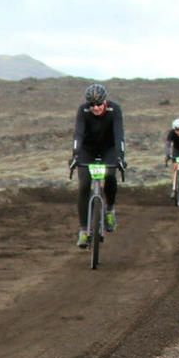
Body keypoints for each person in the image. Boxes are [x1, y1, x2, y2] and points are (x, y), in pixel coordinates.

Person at [70, 83, 126, 247]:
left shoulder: (115, 110)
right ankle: (83, 230)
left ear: (105, 101)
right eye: (92, 105)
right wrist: (75, 155)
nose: (95, 108)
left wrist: (121, 157)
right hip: (87, 150)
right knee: (84, 186)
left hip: (108, 149)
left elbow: (119, 134)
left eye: (99, 104)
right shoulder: (83, 110)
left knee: (109, 176)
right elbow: (78, 133)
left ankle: (109, 209)